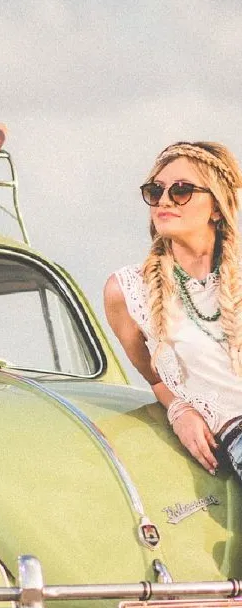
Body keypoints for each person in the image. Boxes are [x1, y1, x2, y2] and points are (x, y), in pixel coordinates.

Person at [104, 141, 242, 479]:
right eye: (156, 190)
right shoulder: (127, 291)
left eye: (181, 190)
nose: (164, 200)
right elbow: (155, 378)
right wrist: (179, 410)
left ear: (215, 207)